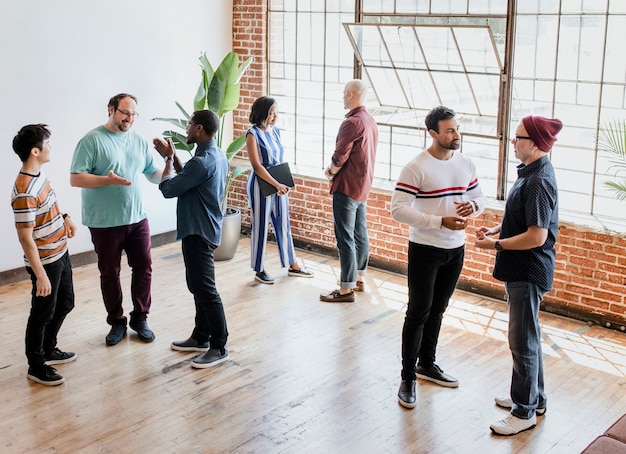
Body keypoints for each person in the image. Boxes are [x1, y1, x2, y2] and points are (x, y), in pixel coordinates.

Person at [390, 106, 486, 409]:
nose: (456, 135)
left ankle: (427, 364)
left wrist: (475, 208)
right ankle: (407, 377)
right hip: (425, 249)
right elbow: (398, 209)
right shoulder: (416, 167)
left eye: (457, 129)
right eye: (449, 130)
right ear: (432, 133)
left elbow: (479, 198)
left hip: (455, 249)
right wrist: (439, 221)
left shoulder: (466, 163)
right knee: (418, 311)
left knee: (439, 309)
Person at [475, 115, 563, 436]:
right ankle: (533, 399)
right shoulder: (531, 172)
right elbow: (522, 220)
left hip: (528, 270)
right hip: (522, 269)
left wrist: (494, 244)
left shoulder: (539, 180)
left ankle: (523, 410)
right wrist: (497, 228)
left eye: (518, 138)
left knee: (522, 341)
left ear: (537, 143)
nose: (513, 142)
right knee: (529, 338)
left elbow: (537, 236)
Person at [70, 93, 162, 346]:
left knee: (144, 266)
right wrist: (107, 180)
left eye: (133, 114)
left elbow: (153, 175)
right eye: (125, 113)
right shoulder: (91, 140)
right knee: (110, 272)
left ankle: (140, 319)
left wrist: (170, 163)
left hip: (137, 216)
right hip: (104, 221)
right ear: (111, 110)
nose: (129, 119)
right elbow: (76, 178)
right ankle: (116, 321)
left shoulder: (138, 140)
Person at [154, 109, 230, 368]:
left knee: (206, 290)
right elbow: (189, 177)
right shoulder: (216, 155)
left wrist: (166, 162)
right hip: (206, 227)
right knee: (198, 286)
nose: (186, 129)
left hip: (197, 231)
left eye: (189, 125)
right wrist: (175, 159)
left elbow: (168, 189)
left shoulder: (201, 161)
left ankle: (219, 346)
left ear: (199, 128)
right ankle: (200, 337)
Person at [11, 124, 78, 385]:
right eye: (48, 143)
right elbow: (25, 237)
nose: (51, 147)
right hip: (45, 262)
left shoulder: (40, 176)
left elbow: (52, 202)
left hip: (60, 251)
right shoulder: (24, 191)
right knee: (41, 313)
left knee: (66, 303)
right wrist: (40, 275)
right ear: (35, 151)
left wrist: (65, 218)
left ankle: (49, 348)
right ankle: (36, 365)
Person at [320, 79, 378, 302]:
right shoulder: (370, 120)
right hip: (363, 185)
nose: (343, 97)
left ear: (352, 95)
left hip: (346, 186)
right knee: (360, 232)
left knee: (344, 237)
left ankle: (345, 289)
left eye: (345, 93)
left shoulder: (351, 123)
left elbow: (340, 155)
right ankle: (359, 278)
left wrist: (331, 171)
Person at [245, 96, 313, 284]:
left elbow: (280, 159)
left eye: (276, 112)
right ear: (262, 113)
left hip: (279, 184)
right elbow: (257, 166)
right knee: (260, 226)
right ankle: (259, 269)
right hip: (261, 184)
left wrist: (285, 182)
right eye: (271, 112)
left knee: (283, 224)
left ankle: (293, 264)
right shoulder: (252, 134)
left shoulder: (276, 132)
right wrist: (276, 184)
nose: (275, 116)